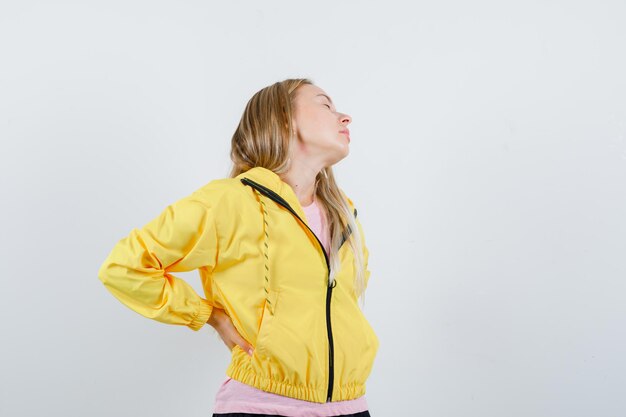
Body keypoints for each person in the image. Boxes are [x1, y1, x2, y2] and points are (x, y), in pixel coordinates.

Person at [97, 78, 379, 417]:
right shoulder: (230, 202)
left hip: (350, 407)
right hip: (261, 407)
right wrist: (208, 315)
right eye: (325, 104)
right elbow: (124, 266)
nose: (344, 117)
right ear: (284, 118)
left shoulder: (344, 214)